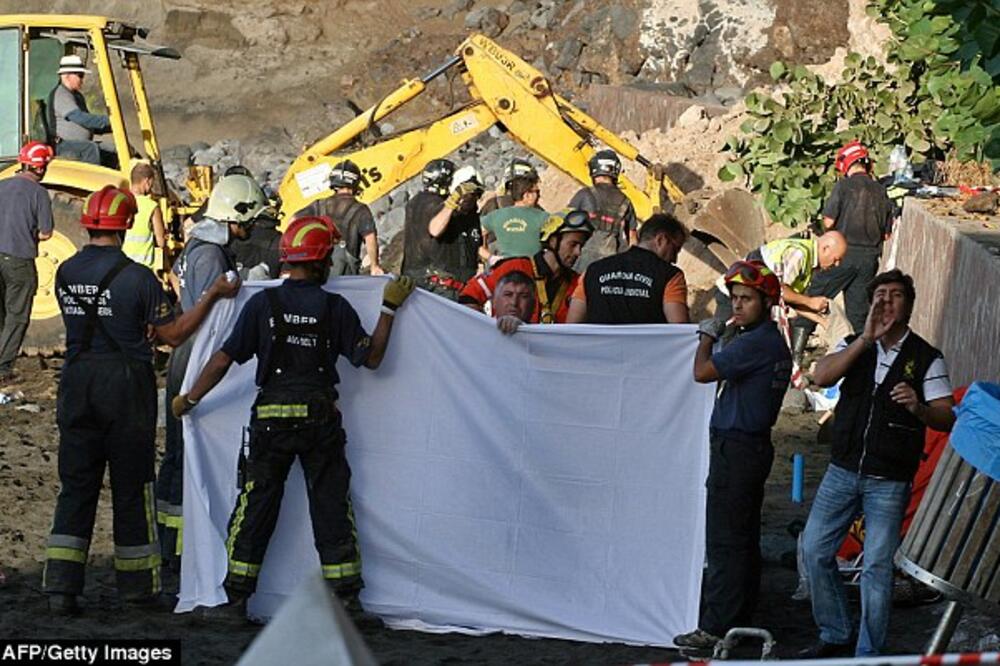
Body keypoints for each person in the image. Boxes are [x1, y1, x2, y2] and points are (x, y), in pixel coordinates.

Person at [172, 216, 415, 617]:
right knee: (331, 506)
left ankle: (236, 600)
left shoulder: (262, 305)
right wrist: (389, 307)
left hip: (270, 424)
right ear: (321, 263)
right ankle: (346, 600)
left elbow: (223, 359)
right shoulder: (335, 307)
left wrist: (190, 398)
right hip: (320, 423)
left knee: (256, 506)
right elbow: (371, 358)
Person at [42, 186, 239, 615]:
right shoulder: (138, 278)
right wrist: (212, 296)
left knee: (76, 486)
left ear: (87, 223)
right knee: (132, 488)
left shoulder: (65, 271)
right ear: (128, 224)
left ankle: (61, 586)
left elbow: (94, 317)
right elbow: (174, 335)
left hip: (77, 382)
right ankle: (137, 588)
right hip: (125, 387)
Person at [800, 269, 954, 658]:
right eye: (880, 294)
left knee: (877, 568)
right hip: (842, 469)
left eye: (895, 294)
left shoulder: (927, 357)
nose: (886, 301)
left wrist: (919, 409)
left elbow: (947, 416)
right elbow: (821, 375)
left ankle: (869, 652)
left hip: (890, 478)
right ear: (870, 304)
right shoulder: (854, 343)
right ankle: (836, 631)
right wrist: (865, 339)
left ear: (909, 306)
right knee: (814, 550)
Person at [674, 260, 792, 650]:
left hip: (737, 448)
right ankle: (738, 618)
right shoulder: (767, 341)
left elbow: (702, 373)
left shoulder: (755, 344)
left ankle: (715, 626)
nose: (737, 306)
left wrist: (706, 338)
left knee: (725, 541)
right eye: (735, 298)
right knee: (742, 538)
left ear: (766, 303)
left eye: (747, 299)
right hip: (750, 447)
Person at [158, 173, 267, 571]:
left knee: (178, 449)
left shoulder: (197, 245)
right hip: (196, 355)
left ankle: (172, 543)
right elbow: (207, 312)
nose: (252, 226)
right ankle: (179, 551)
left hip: (186, 353)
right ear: (234, 216)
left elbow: (178, 279)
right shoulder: (210, 255)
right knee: (187, 449)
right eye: (249, 219)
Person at [459, 209, 593, 323]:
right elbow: (468, 297)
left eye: (581, 246)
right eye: (573, 245)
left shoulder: (578, 283)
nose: (578, 252)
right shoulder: (515, 267)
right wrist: (488, 330)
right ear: (553, 241)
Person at [821, 141, 894, 334]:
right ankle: (862, 350)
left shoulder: (843, 186)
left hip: (842, 256)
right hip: (869, 260)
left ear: (846, 164)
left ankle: (795, 349)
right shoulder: (881, 190)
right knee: (858, 314)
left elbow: (828, 222)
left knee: (814, 297)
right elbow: (887, 234)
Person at [566, 213, 690, 324]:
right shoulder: (671, 276)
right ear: (661, 239)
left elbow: (572, 325)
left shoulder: (593, 271)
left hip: (599, 344)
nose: (674, 259)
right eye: (675, 250)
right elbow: (679, 328)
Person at [713, 231, 848, 332]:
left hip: (750, 302)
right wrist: (810, 302)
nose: (836, 264)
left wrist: (822, 321)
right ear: (825, 249)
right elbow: (781, 290)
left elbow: (791, 299)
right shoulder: (799, 254)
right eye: (836, 259)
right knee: (722, 348)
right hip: (732, 299)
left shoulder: (808, 262)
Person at [0, 142, 54, 382]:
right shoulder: (39, 193)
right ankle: (3, 369)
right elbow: (46, 233)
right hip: (19, 259)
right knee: (17, 315)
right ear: (40, 168)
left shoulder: (2, 185)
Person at [401, 160, 483, 300]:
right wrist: (453, 201)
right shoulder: (428, 203)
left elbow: (474, 244)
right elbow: (435, 229)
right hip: (436, 285)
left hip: (448, 285)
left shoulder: (464, 212)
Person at [296, 160, 383, 276]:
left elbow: (293, 221)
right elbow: (370, 238)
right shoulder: (360, 210)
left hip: (317, 270)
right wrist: (374, 266)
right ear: (355, 184)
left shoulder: (318, 205)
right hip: (345, 275)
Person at [568, 149, 638, 270]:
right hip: (612, 263)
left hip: (582, 263)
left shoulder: (584, 195)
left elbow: (565, 225)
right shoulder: (626, 201)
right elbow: (633, 239)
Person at [47, 55, 114, 167]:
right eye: (80, 75)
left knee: (115, 150)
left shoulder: (77, 96)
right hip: (63, 146)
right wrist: (109, 120)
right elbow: (81, 118)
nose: (82, 80)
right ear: (67, 76)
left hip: (79, 145)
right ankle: (93, 178)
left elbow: (89, 124)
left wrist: (114, 128)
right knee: (90, 149)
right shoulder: (61, 94)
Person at [478, 175, 548, 265]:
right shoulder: (541, 216)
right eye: (537, 192)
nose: (539, 196)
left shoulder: (497, 215)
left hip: (503, 268)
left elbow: (473, 237)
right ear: (527, 195)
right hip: (530, 268)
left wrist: (491, 258)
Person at [122, 163, 166, 271]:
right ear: (147, 181)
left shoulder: (122, 201)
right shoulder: (151, 206)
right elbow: (161, 242)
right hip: (143, 267)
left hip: (124, 264)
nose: (151, 187)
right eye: (151, 183)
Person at [491, 270, 536, 335]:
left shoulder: (544, 338)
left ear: (534, 305)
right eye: (508, 295)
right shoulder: (479, 331)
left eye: (523, 296)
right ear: (494, 301)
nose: (514, 302)